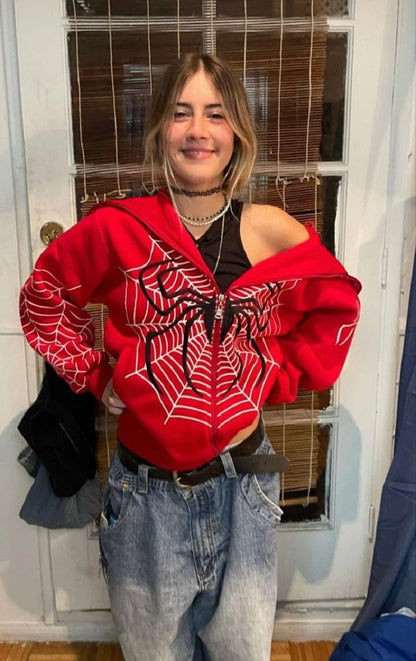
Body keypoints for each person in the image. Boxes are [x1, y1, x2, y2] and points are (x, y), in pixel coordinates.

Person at [19, 53, 361, 661]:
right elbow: (45, 296)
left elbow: (337, 305)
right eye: (181, 113)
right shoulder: (118, 228)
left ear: (238, 134)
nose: (198, 130)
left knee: (241, 649)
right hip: (145, 494)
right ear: (159, 129)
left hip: (244, 487)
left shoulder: (271, 229)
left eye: (216, 114)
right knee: (155, 650)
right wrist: (97, 376)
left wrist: (276, 376)